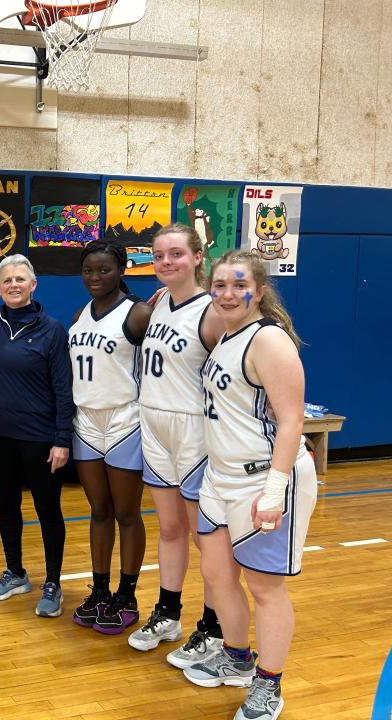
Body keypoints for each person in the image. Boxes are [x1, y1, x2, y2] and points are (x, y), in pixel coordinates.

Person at [183, 251, 316, 720]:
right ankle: (237, 656)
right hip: (220, 478)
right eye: (218, 285)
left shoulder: (268, 341)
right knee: (218, 576)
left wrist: (274, 491)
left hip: (263, 479)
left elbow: (292, 420)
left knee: (265, 589)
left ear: (259, 291)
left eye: (239, 285)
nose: (227, 293)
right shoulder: (225, 333)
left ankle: (269, 685)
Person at [128, 224, 227, 667]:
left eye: (176, 255)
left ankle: (215, 626)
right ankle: (168, 612)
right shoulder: (158, 304)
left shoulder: (211, 313)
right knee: (169, 529)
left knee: (207, 539)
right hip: (153, 422)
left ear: (197, 258)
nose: (166, 262)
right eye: (159, 255)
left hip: (193, 431)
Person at [0, 255, 74, 617]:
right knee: (7, 507)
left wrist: (62, 439)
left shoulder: (52, 329)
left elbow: (64, 389)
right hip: (1, 434)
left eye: (21, 279)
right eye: (7, 281)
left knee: (47, 510)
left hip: (41, 438)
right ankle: (15, 572)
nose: (14, 285)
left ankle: (53, 582)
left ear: (33, 285)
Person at [68, 240, 152, 634]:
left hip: (124, 421)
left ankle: (128, 594)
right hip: (86, 421)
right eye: (88, 270)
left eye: (104, 270)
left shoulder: (138, 314)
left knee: (126, 513)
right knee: (99, 511)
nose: (95, 277)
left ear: (121, 270)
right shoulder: (80, 314)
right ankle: (100, 589)